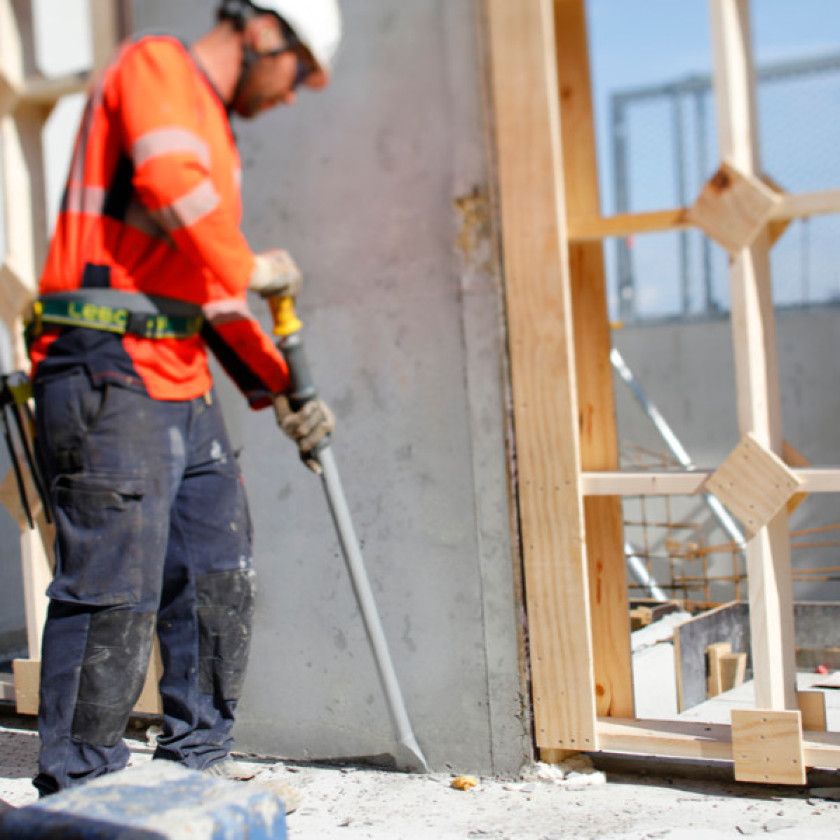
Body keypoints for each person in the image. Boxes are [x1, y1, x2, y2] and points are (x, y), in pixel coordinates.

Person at [25, 0, 341, 795]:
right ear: (263, 30)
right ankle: (83, 790)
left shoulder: (215, 132)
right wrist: (251, 264)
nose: (292, 94)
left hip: (178, 370)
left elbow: (208, 280)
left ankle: (198, 764)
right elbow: (171, 188)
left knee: (216, 570)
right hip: (106, 361)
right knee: (112, 587)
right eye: (299, 71)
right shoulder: (158, 65)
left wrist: (279, 387)